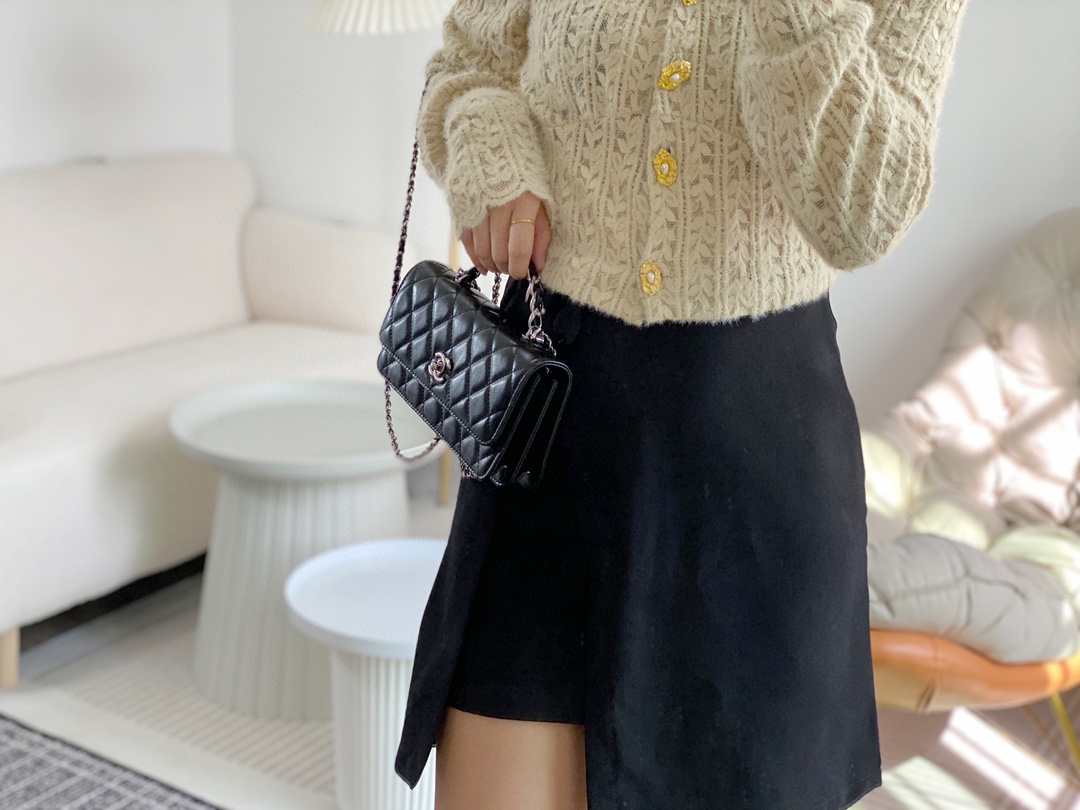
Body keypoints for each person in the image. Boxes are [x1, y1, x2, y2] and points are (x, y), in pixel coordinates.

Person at [392, 0, 970, 807]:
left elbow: (863, 217)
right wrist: (494, 154)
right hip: (545, 430)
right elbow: (469, 63)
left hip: (752, 465)